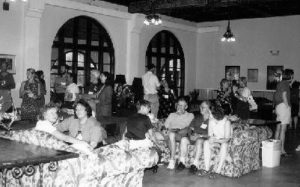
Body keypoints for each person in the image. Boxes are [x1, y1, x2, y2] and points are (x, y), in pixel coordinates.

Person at [201, 104, 232, 178]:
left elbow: (227, 139)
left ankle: (218, 171)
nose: (208, 114)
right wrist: (211, 139)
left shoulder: (226, 122)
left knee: (224, 145)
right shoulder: (211, 121)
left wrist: (216, 140)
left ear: (215, 114)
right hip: (217, 141)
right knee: (206, 142)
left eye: (209, 113)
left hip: (225, 141)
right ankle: (207, 168)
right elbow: (210, 135)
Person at [164, 97, 194, 170]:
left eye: (181, 105)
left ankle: (172, 159)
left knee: (171, 134)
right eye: (178, 105)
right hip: (171, 133)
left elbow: (187, 127)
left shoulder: (190, 115)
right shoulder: (172, 114)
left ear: (186, 107)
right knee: (165, 134)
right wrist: (168, 130)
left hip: (182, 134)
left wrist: (173, 129)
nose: (179, 107)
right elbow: (165, 125)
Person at [189, 101, 212, 174]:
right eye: (200, 107)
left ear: (209, 109)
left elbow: (212, 134)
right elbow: (190, 128)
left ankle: (195, 164)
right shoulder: (197, 117)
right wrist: (191, 135)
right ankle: (181, 162)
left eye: (203, 107)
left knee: (199, 140)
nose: (201, 108)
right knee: (183, 140)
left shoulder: (212, 119)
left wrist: (200, 136)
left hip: (204, 138)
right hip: (195, 136)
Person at [273, 69, 292, 156]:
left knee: (278, 129)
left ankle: (275, 148)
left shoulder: (280, 83)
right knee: (283, 130)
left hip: (278, 106)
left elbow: (275, 95)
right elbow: (284, 95)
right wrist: (287, 106)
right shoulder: (285, 83)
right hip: (283, 107)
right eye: (292, 75)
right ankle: (282, 150)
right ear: (290, 76)